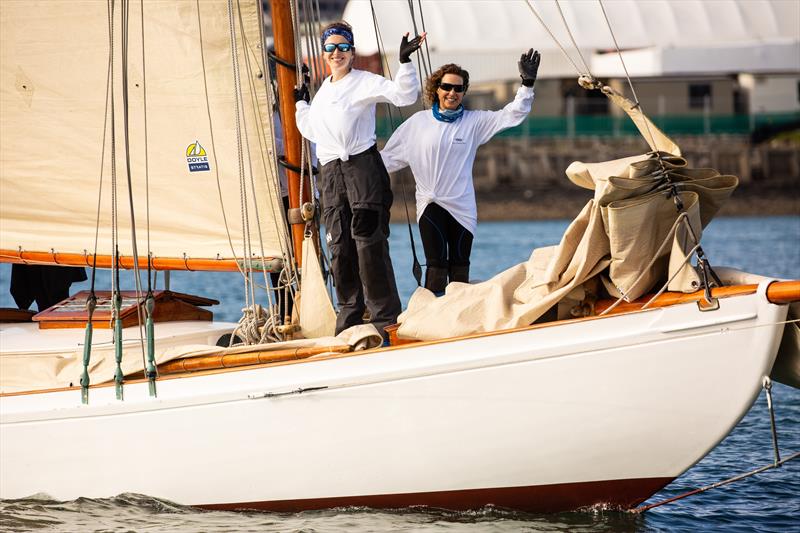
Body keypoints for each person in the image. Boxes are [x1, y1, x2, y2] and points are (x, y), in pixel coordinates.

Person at [294, 21, 425, 339]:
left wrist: (404, 63)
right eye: (330, 48)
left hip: (362, 166)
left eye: (342, 47)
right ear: (324, 53)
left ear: (351, 51)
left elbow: (403, 96)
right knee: (339, 245)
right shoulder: (323, 92)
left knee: (368, 241)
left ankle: (384, 316)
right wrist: (300, 103)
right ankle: (349, 315)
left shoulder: (363, 82)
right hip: (331, 173)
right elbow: (310, 129)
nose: (336, 53)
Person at [381, 50, 539, 293]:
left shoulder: (474, 122)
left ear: (464, 92)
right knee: (436, 267)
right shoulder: (417, 123)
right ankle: (428, 319)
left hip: (463, 206)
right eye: (447, 87)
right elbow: (385, 160)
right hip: (430, 202)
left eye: (458, 88)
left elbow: (512, 115)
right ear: (436, 89)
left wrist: (526, 84)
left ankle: (458, 321)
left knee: (460, 268)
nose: (452, 93)